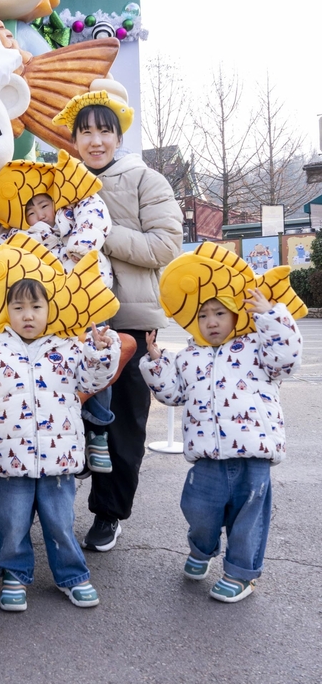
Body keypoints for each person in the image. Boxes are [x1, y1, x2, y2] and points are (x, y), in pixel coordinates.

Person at [53, 78, 183, 552]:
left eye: (103, 131)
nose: (94, 140)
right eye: (84, 131)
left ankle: (108, 514)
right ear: (73, 139)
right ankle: (52, 509)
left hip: (129, 318)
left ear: (119, 135)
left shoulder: (147, 179)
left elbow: (166, 245)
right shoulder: (62, 181)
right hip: (70, 319)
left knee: (124, 424)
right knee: (67, 417)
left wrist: (99, 233)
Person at [139, 245, 303, 602]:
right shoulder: (188, 357)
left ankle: (241, 574)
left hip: (253, 455)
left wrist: (270, 315)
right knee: (198, 510)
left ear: (236, 313)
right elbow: (172, 395)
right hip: (207, 457)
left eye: (219, 312)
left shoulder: (257, 347)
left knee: (249, 520)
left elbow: (288, 358)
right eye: (203, 315)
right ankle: (202, 546)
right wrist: (156, 363)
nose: (211, 321)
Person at [0, 249, 121, 611]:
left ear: (49, 310)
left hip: (59, 457)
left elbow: (93, 378)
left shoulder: (67, 349)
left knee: (61, 523)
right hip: (10, 459)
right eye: (18, 308)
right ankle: (14, 575)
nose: (28, 315)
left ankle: (72, 575)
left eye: (36, 307)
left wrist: (99, 352)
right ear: (7, 312)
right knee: (11, 523)